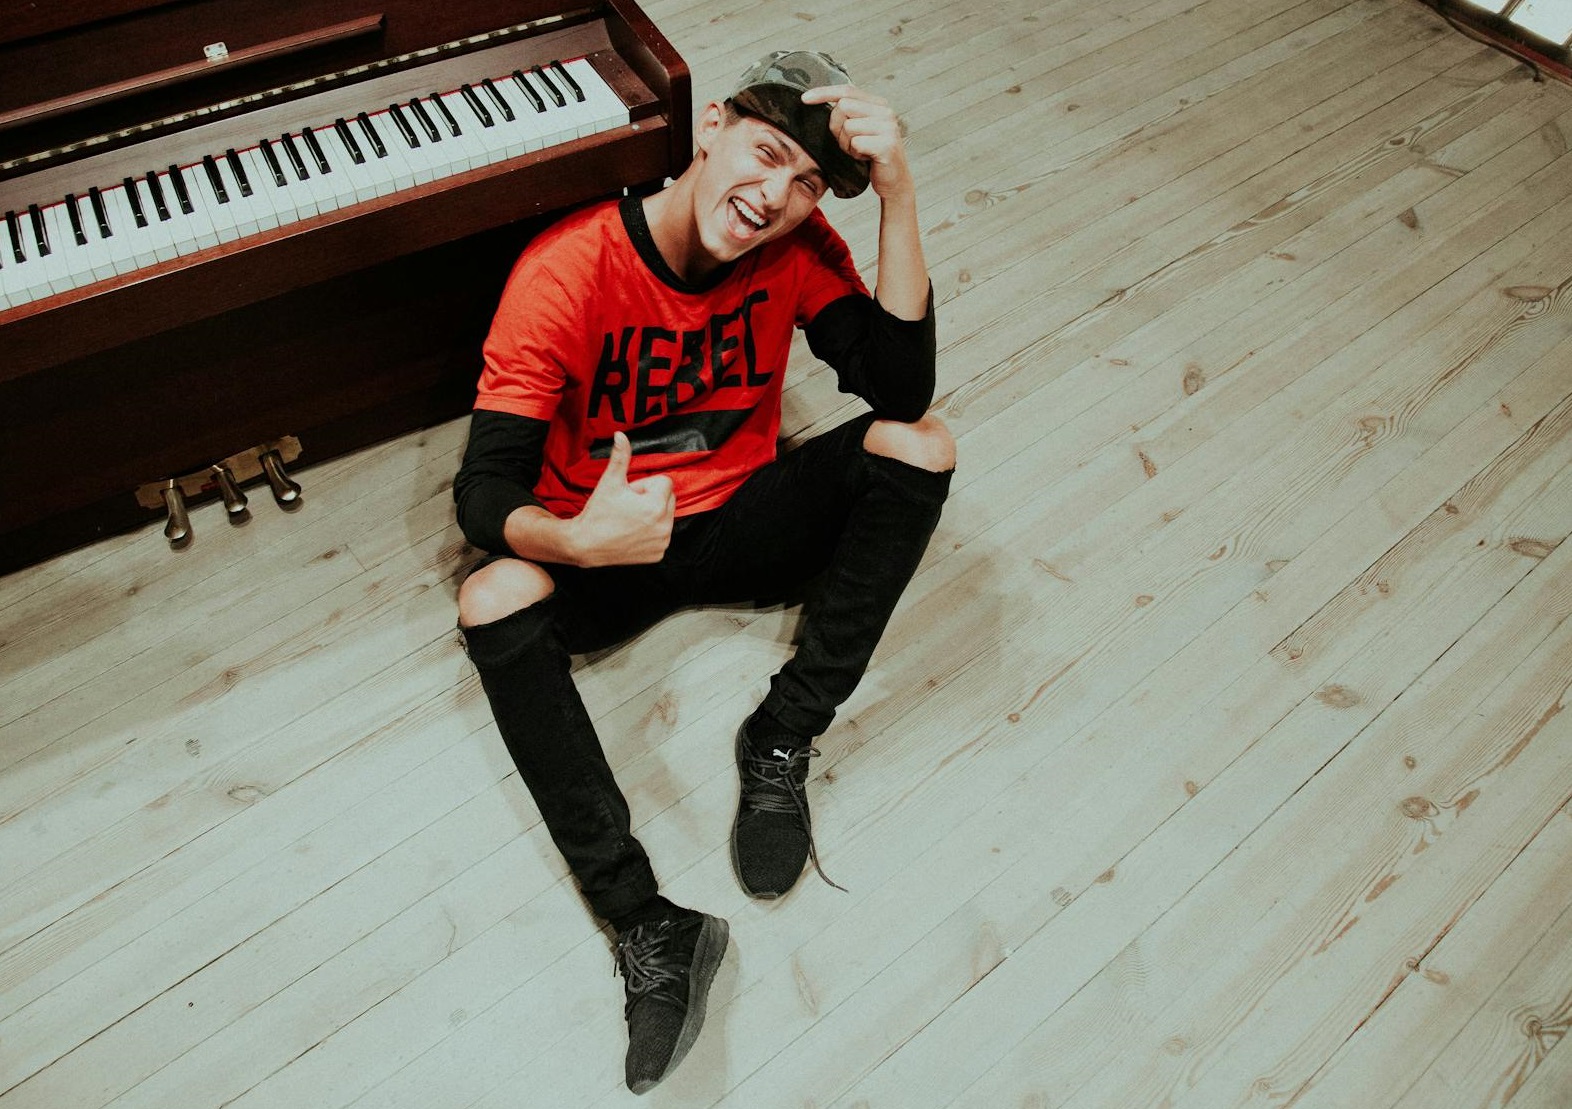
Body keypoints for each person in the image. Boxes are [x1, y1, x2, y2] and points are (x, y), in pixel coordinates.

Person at [451, 49, 955, 1094]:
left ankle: (782, 733)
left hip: (737, 516)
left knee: (921, 444)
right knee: (492, 590)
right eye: (764, 155)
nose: (773, 198)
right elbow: (483, 493)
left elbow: (899, 385)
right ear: (712, 124)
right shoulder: (569, 268)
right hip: (618, 542)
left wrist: (898, 187)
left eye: (808, 183)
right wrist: (580, 540)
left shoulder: (799, 245)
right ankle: (648, 922)